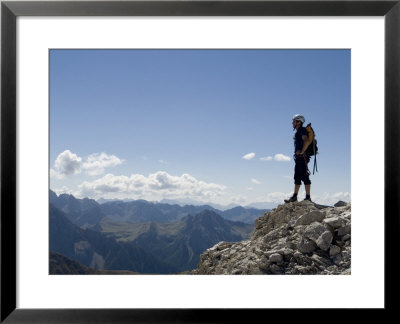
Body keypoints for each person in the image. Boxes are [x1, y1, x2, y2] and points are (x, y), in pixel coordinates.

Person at [284, 114, 312, 203]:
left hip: (302, 158)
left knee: (304, 177)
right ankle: (296, 197)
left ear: (299, 122)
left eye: (294, 121)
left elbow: (306, 141)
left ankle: (306, 197)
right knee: (298, 177)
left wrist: (302, 152)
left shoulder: (301, 130)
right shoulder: (298, 131)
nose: (292, 122)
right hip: (300, 158)